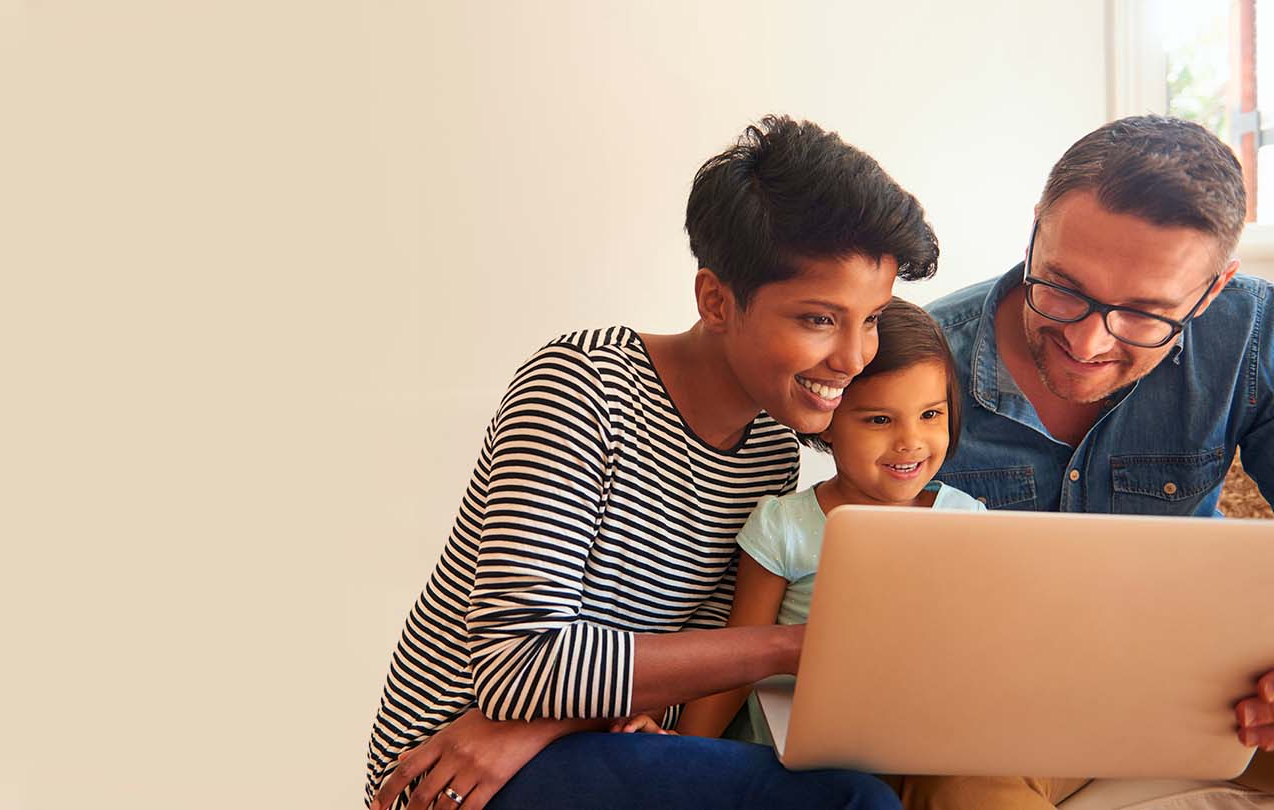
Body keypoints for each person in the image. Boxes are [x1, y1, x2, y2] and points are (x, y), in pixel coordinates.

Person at [363, 115, 940, 810]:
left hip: (581, 741)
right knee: (853, 804)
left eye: (872, 317)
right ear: (716, 301)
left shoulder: (766, 451)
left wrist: (553, 726)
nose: (853, 357)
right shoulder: (581, 387)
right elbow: (516, 669)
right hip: (449, 770)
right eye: (819, 319)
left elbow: (681, 673)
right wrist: (790, 647)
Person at [893, 115, 1274, 809]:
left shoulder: (1253, 333)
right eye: (1064, 287)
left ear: (1213, 291)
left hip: (1217, 698)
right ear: (1037, 227)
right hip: (1006, 717)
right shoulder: (918, 364)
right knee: (957, 784)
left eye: (1143, 313)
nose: (1089, 342)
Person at [610, 298, 987, 744]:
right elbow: (739, 658)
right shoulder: (783, 525)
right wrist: (688, 747)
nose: (911, 442)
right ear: (827, 420)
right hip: (792, 753)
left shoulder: (968, 522)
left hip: (919, 739)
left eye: (930, 415)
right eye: (880, 419)